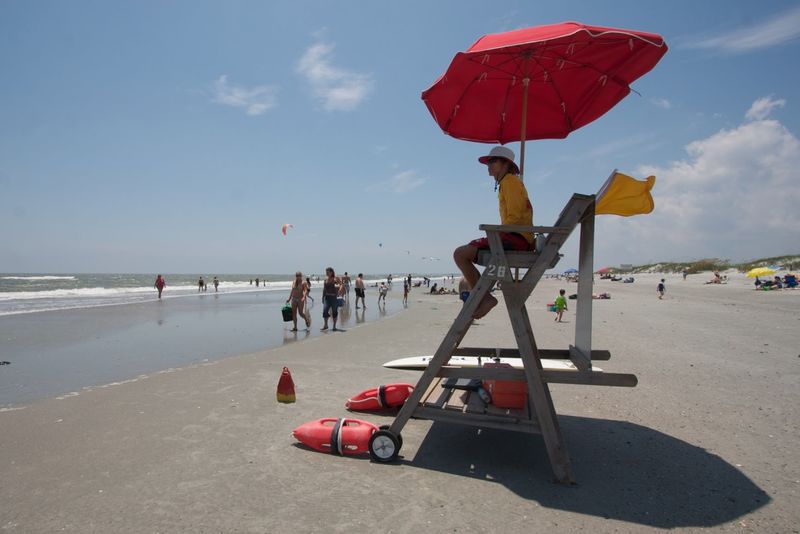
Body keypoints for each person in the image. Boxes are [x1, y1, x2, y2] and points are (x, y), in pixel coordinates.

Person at [453, 146, 533, 319]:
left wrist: (497, 232)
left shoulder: (510, 182)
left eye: (493, 161)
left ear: (505, 164)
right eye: (488, 162)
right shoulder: (507, 182)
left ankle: (485, 298)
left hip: (516, 238)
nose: (488, 165)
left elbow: (516, 215)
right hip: (516, 236)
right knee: (462, 253)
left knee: (460, 254)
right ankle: (483, 295)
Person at [321, 267, 343, 331]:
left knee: (334, 312)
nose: (326, 273)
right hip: (327, 298)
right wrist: (322, 297)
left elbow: (341, 284)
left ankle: (334, 326)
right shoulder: (325, 279)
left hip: (334, 298)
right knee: (325, 311)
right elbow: (324, 289)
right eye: (326, 272)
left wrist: (339, 291)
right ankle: (325, 325)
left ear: (331, 272)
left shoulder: (336, 278)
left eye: (327, 272)